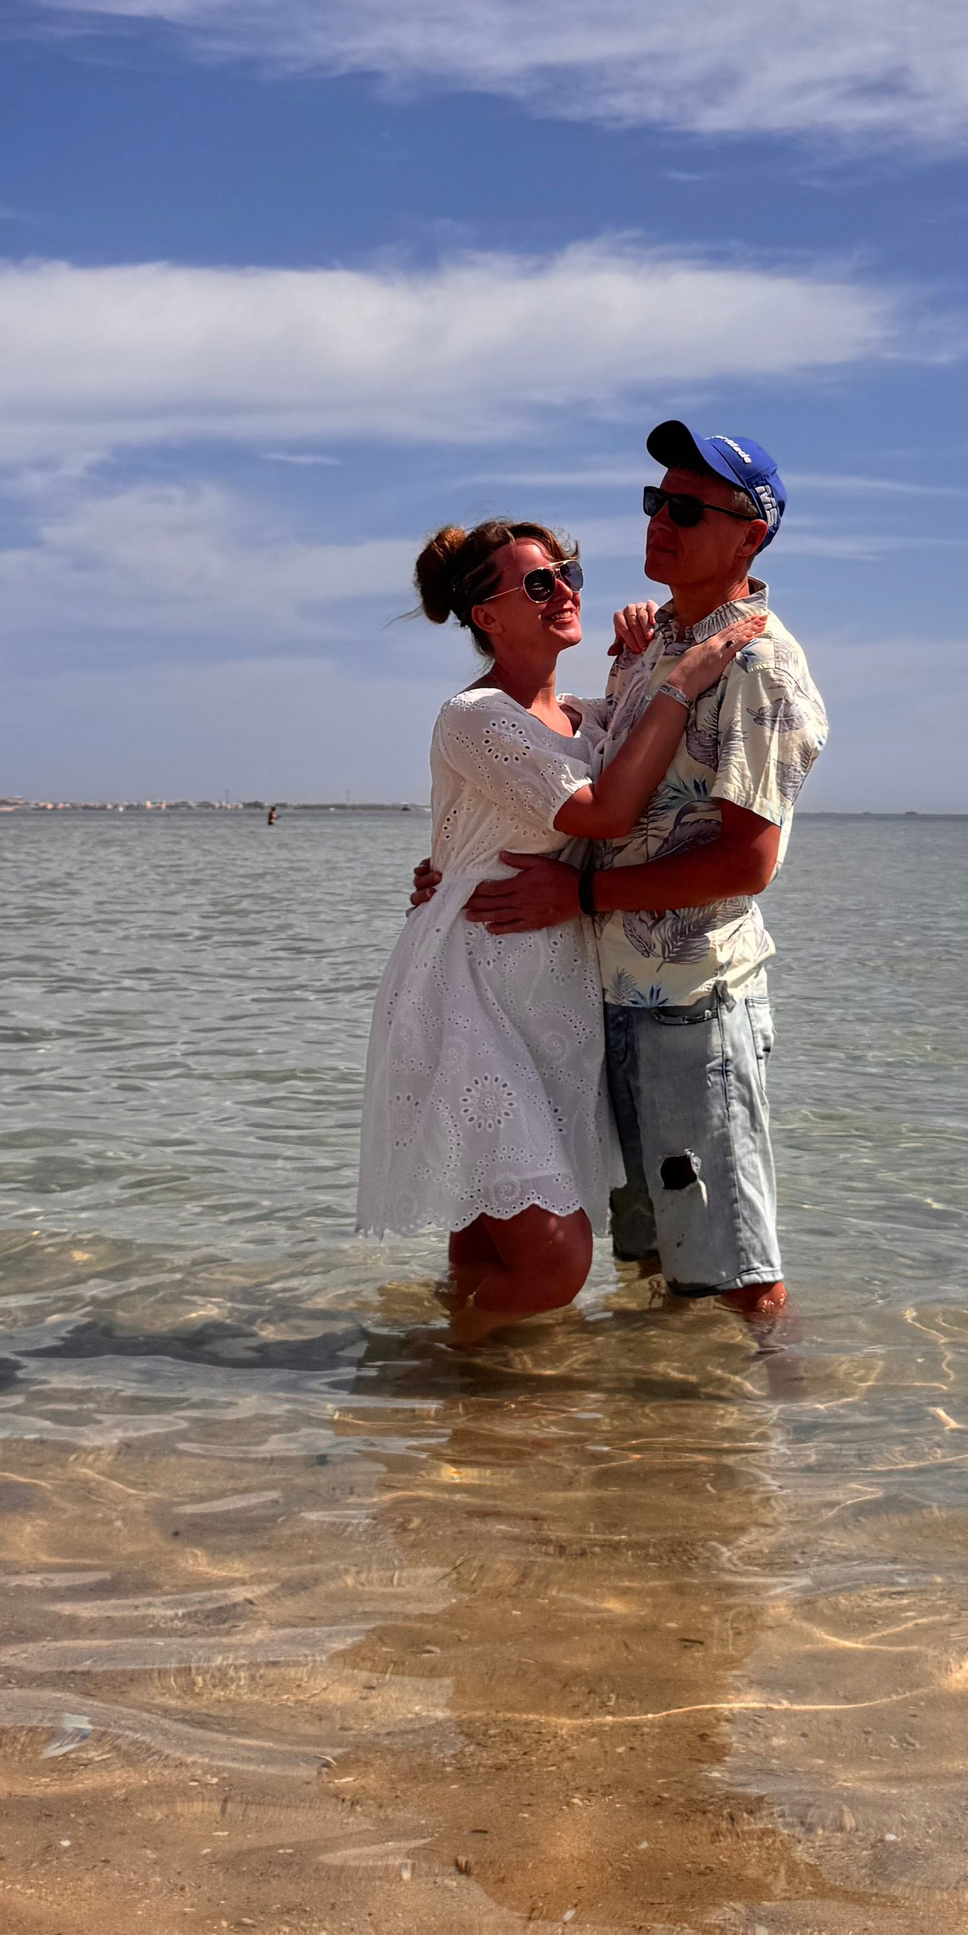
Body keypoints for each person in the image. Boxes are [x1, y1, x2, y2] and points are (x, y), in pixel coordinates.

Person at [428, 423, 828, 1322]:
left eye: (687, 508)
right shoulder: (656, 652)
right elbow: (558, 786)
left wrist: (574, 894)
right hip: (607, 998)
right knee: (650, 1264)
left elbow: (748, 862)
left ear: (750, 534)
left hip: (694, 999)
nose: (660, 521)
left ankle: (775, 1445)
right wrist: (454, 874)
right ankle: (638, 1448)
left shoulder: (758, 662)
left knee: (737, 1269)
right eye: (656, 501)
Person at [356, 516, 766, 1335]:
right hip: (468, 981)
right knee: (555, 1259)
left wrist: (639, 666)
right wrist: (683, 678)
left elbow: (620, 766)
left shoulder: (585, 714)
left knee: (485, 1232)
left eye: (568, 572)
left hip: (552, 991)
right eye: (538, 583)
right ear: (487, 617)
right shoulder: (474, 716)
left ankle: (464, 1418)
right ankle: (437, 1367)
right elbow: (604, 812)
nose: (566, 591)